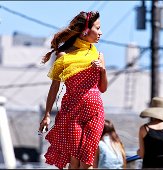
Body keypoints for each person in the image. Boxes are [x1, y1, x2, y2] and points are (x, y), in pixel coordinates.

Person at [38, 11, 108, 169]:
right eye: (97, 28)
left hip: (95, 112)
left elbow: (103, 89)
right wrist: (47, 114)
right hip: (72, 112)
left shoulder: (99, 56)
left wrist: (102, 70)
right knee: (74, 160)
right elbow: (54, 86)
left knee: (87, 160)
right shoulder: (64, 56)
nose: (101, 32)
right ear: (85, 30)